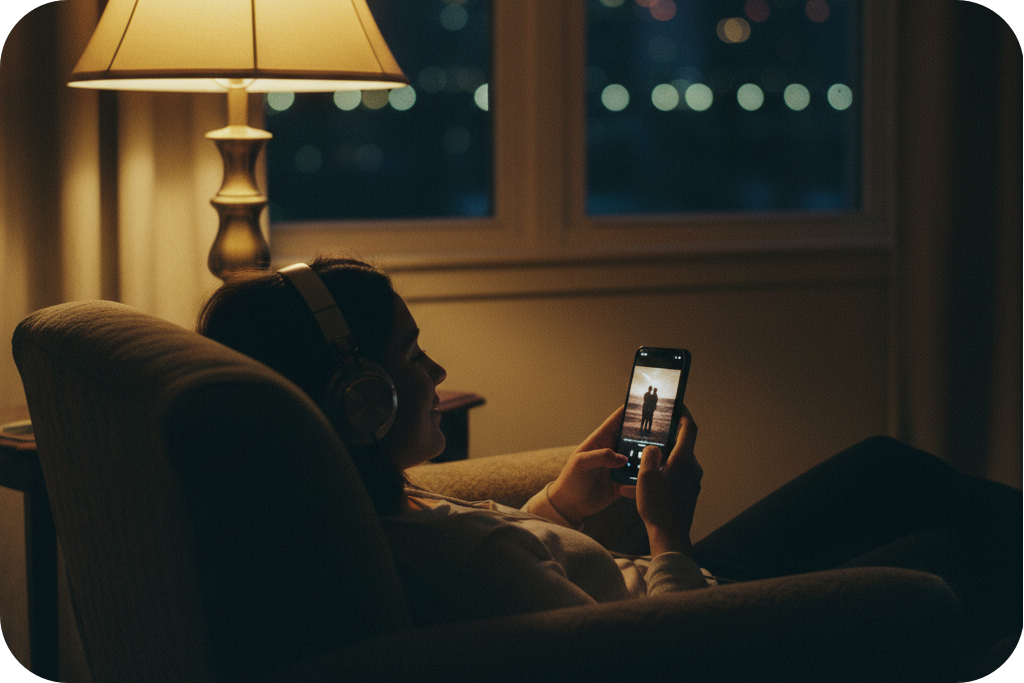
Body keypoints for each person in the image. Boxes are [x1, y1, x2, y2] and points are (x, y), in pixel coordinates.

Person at [197, 255, 1021, 667]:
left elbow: (503, 574)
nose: (437, 372)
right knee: (953, 554)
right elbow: (670, 659)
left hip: (653, 586)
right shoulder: (462, 558)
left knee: (881, 466)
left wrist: (556, 507)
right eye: (413, 355)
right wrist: (668, 532)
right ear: (359, 400)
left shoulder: (355, 506)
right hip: (699, 611)